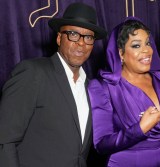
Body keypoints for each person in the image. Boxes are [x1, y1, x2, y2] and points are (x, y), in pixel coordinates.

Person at [0, 2, 106, 167]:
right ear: (59, 38)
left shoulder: (91, 87)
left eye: (88, 37)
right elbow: (4, 140)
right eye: (73, 34)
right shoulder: (33, 73)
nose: (81, 43)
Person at [88, 17, 160, 167]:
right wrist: (140, 129)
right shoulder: (104, 87)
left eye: (148, 43)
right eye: (136, 45)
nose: (147, 50)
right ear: (120, 54)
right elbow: (101, 144)